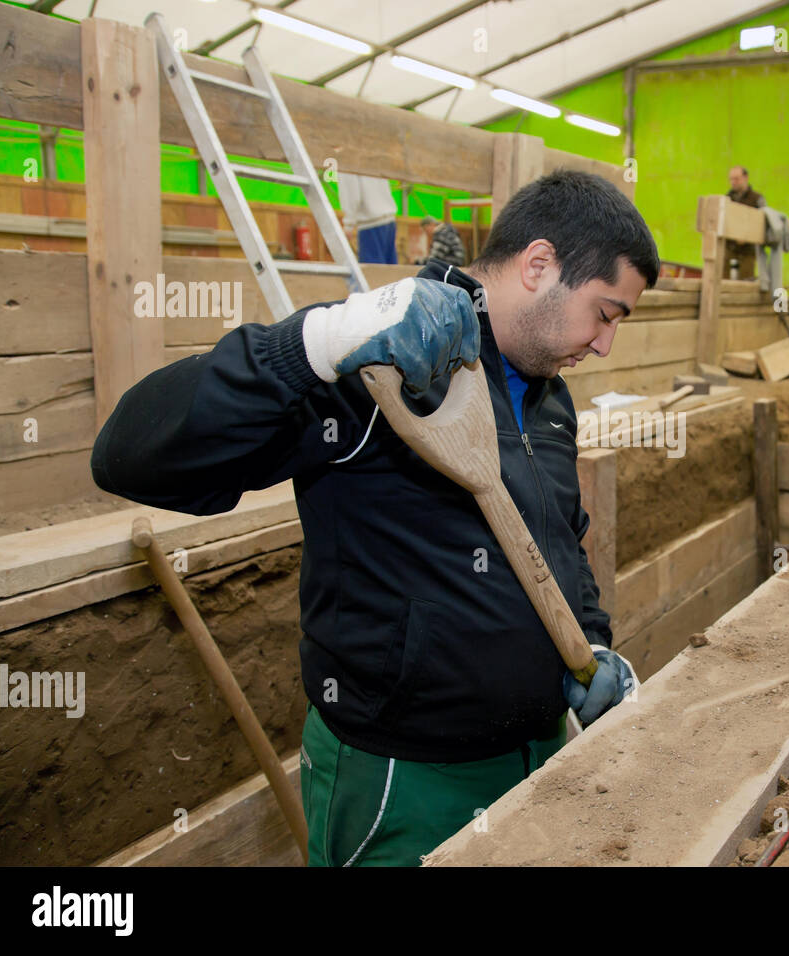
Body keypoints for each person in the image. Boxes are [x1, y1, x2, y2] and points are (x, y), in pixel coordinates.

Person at [91, 170, 659, 865]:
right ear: (539, 265)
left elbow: (561, 541)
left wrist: (595, 646)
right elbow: (127, 454)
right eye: (606, 313)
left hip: (540, 756)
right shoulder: (382, 369)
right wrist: (311, 344)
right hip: (404, 780)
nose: (605, 344)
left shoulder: (550, 398)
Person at [337, 173, 398, 264]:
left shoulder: (345, 162)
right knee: (391, 273)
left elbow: (352, 194)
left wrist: (348, 224)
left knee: (373, 273)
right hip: (388, 219)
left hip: (371, 223)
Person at [725, 165, 765, 280]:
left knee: (746, 284)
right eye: (731, 179)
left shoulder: (757, 199)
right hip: (729, 248)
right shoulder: (726, 199)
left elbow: (762, 223)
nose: (733, 182)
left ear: (745, 178)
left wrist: (747, 236)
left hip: (748, 251)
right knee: (724, 283)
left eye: (736, 179)